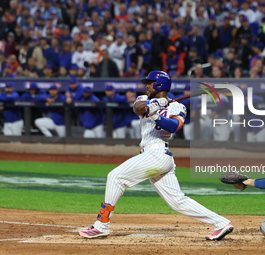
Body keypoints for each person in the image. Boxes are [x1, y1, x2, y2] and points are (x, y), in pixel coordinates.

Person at [78, 71, 233, 240]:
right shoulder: (143, 98)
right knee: (177, 201)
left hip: (158, 153)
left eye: (150, 83)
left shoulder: (178, 107)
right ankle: (221, 222)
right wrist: (153, 104)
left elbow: (174, 126)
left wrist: (156, 115)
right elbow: (138, 108)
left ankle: (101, 225)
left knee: (115, 177)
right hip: (153, 156)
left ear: (160, 84)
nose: (147, 85)